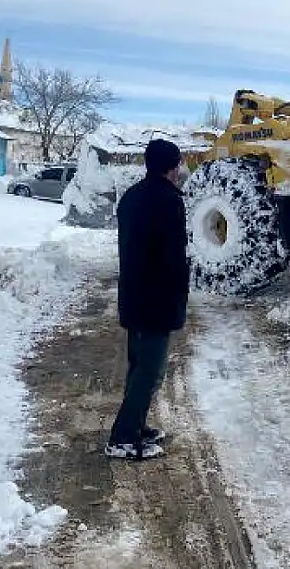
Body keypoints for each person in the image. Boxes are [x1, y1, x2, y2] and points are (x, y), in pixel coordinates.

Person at [105, 138, 190, 460]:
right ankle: (123, 438)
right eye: (179, 163)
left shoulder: (132, 196)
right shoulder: (167, 200)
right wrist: (179, 292)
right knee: (150, 371)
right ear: (173, 165)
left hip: (136, 293)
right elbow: (172, 256)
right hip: (156, 298)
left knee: (139, 366)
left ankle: (135, 426)